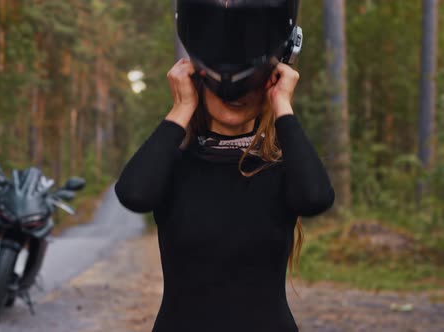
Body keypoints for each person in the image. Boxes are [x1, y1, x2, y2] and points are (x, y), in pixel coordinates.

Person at [115, 0, 334, 331]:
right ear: (196, 78)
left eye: (249, 82)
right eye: (220, 79)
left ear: (272, 81)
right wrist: (181, 107)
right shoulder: (175, 166)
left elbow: (316, 197)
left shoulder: (279, 169)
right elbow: (133, 193)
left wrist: (283, 104)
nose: (234, 92)